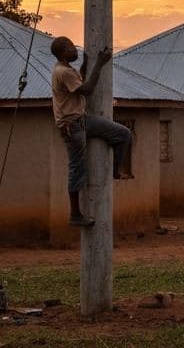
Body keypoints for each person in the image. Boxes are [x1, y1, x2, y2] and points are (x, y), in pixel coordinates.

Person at [50, 36, 132, 227]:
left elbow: (80, 83)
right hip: (73, 125)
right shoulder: (63, 71)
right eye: (70, 47)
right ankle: (75, 215)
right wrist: (99, 65)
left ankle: (115, 171)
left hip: (82, 121)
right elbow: (86, 90)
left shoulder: (66, 70)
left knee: (123, 134)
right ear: (63, 53)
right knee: (77, 169)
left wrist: (87, 64)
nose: (74, 49)